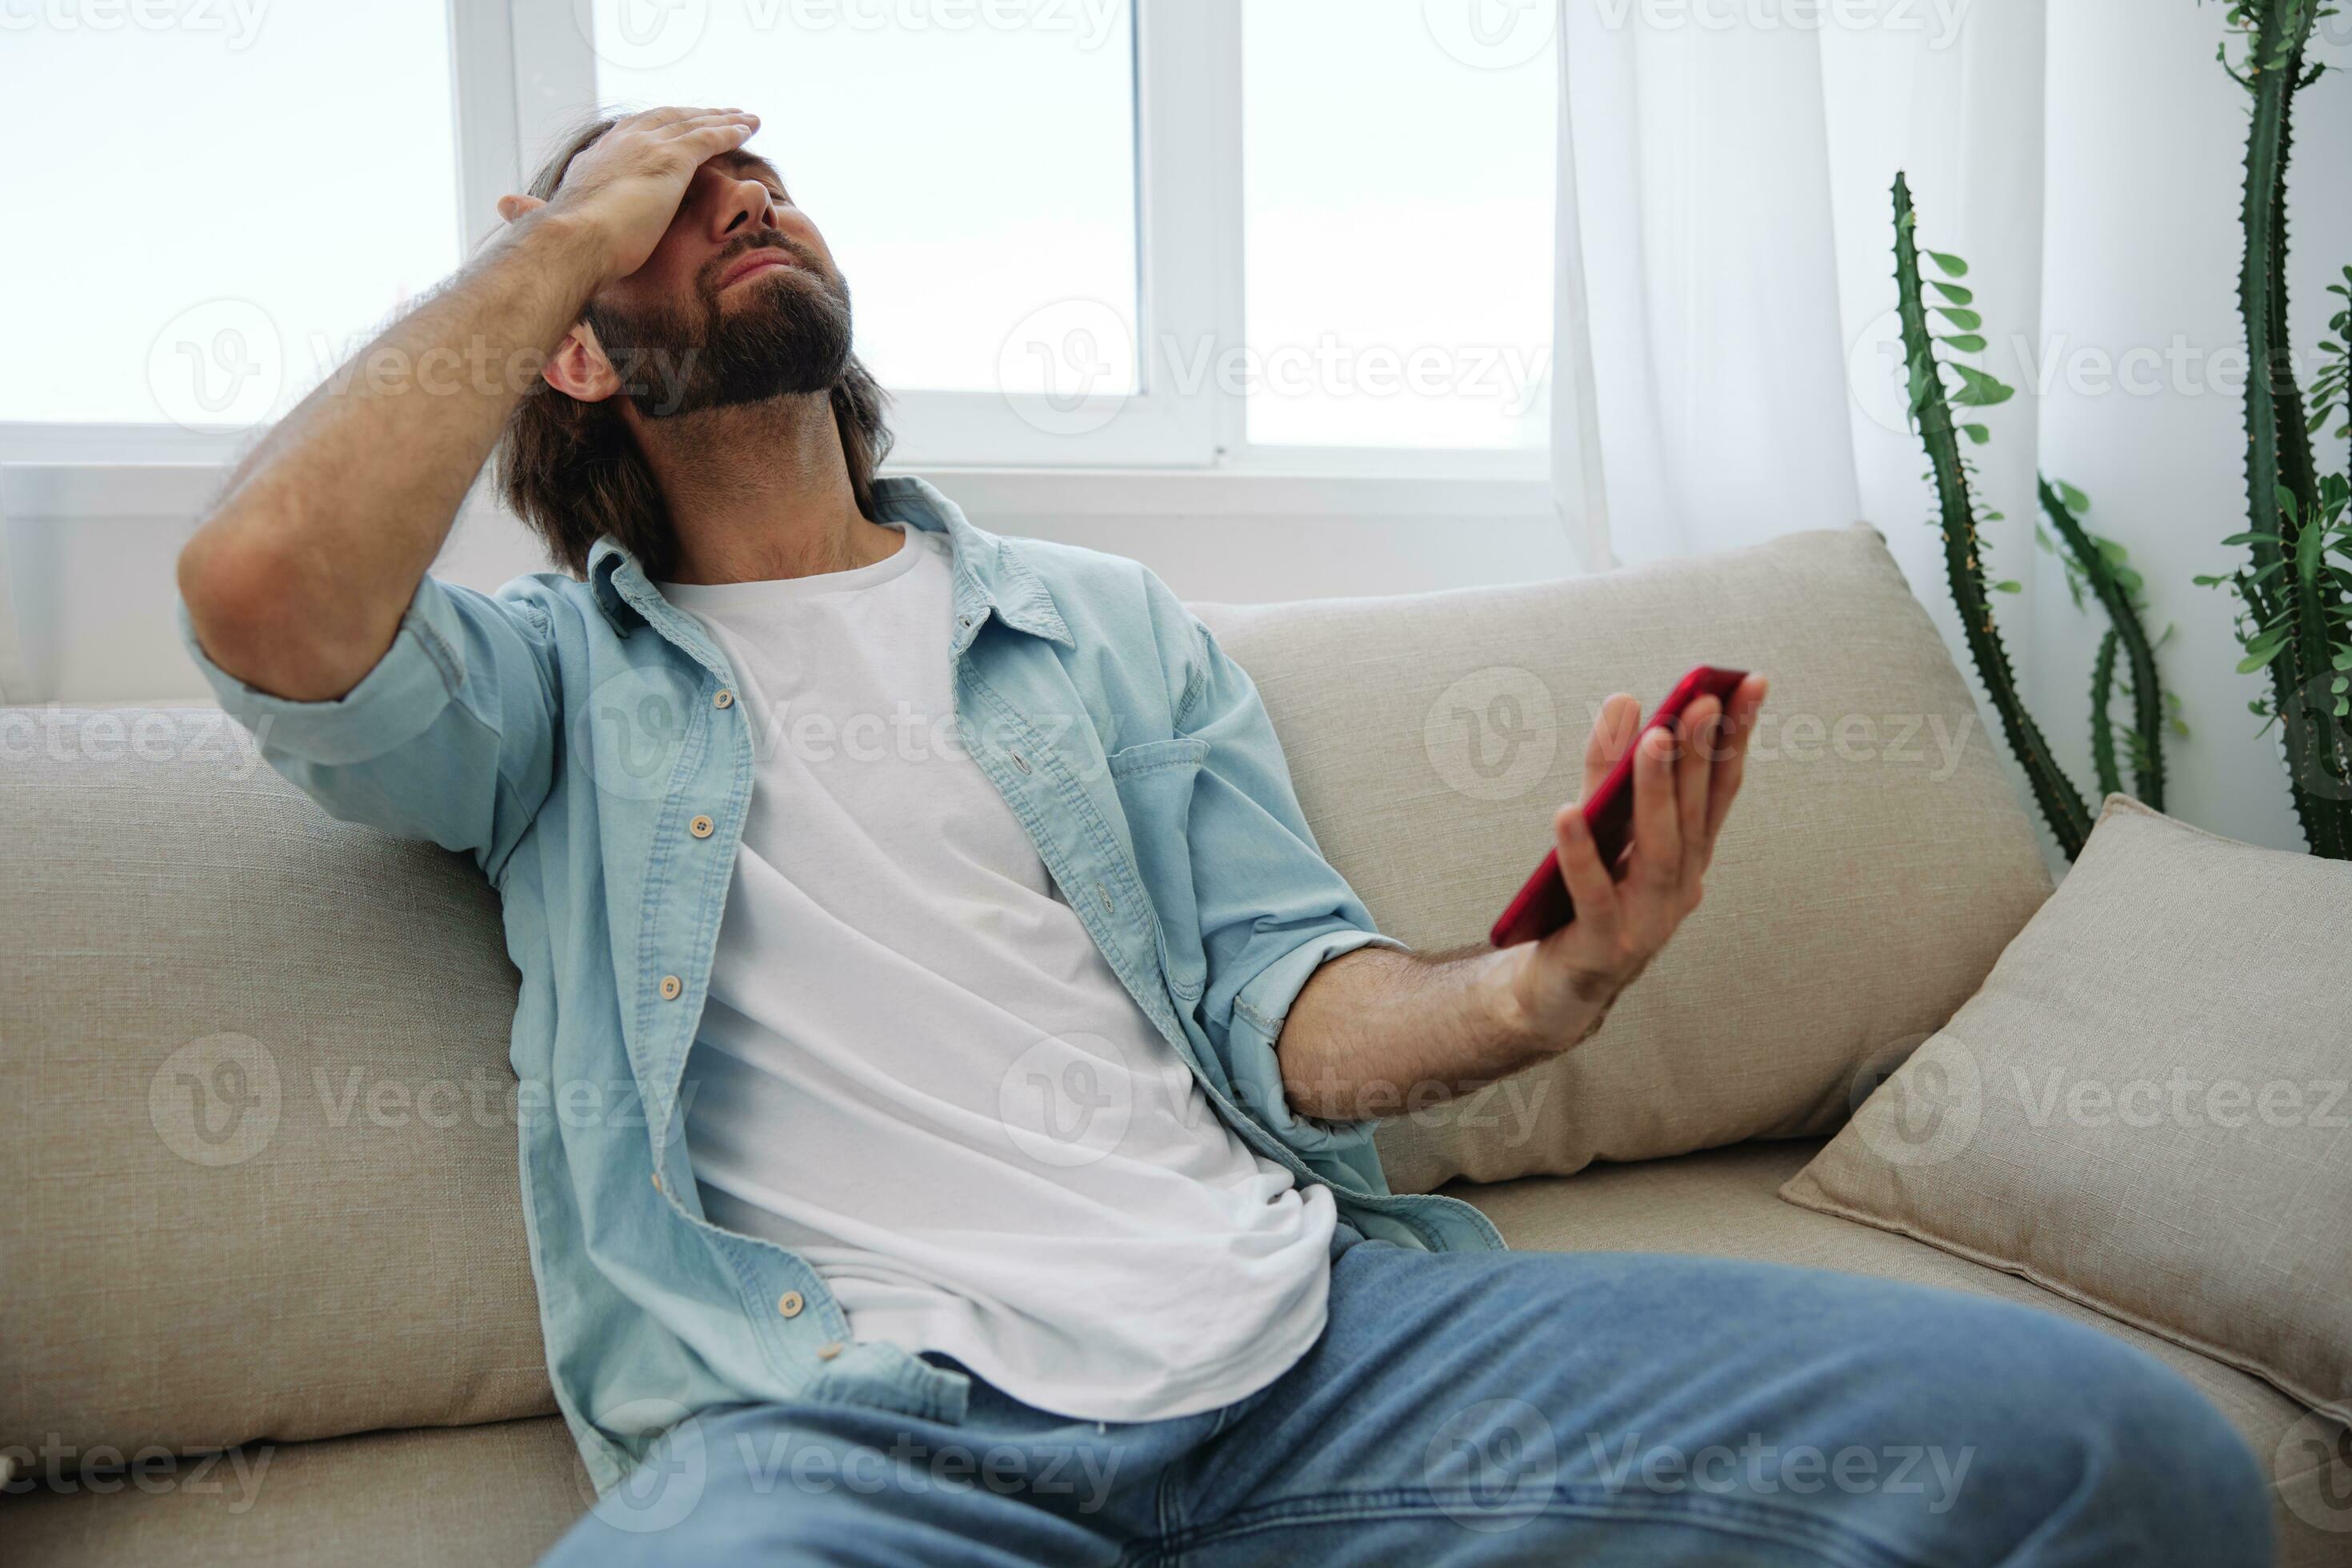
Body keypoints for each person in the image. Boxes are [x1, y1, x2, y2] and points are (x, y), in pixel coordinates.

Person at [176, 106, 2267, 1564]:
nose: (742, 200)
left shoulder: (1092, 628)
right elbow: (263, 592)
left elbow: (1288, 1011)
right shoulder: (545, 693)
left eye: (760, 181)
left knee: (2127, 1461)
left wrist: (1536, 989)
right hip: (848, 1450)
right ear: (570, 337)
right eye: (669, 201)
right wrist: (561, 222)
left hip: (1322, 1365)